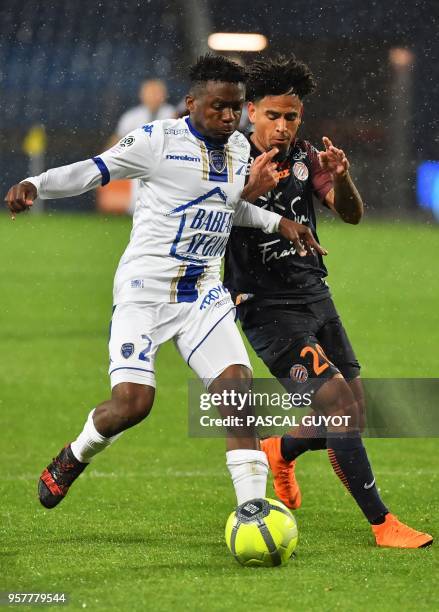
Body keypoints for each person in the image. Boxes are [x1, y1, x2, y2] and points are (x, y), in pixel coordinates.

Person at [5, 54, 324, 511]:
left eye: (235, 108)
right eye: (218, 107)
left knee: (237, 392)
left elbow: (225, 205)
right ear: (191, 103)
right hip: (146, 291)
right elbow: (94, 170)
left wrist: (278, 224)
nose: (229, 117)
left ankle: (253, 511)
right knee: (133, 404)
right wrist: (36, 182)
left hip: (204, 293)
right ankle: (74, 455)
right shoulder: (156, 141)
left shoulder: (237, 148)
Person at [224, 55, 433, 548]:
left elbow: (351, 214)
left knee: (352, 414)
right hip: (266, 307)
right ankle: (383, 525)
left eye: (290, 116)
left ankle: (281, 449)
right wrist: (247, 190)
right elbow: (203, 215)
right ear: (251, 111)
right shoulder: (227, 158)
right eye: (272, 115)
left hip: (316, 295)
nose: (281, 126)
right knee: (338, 407)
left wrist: (340, 177)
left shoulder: (304, 157)